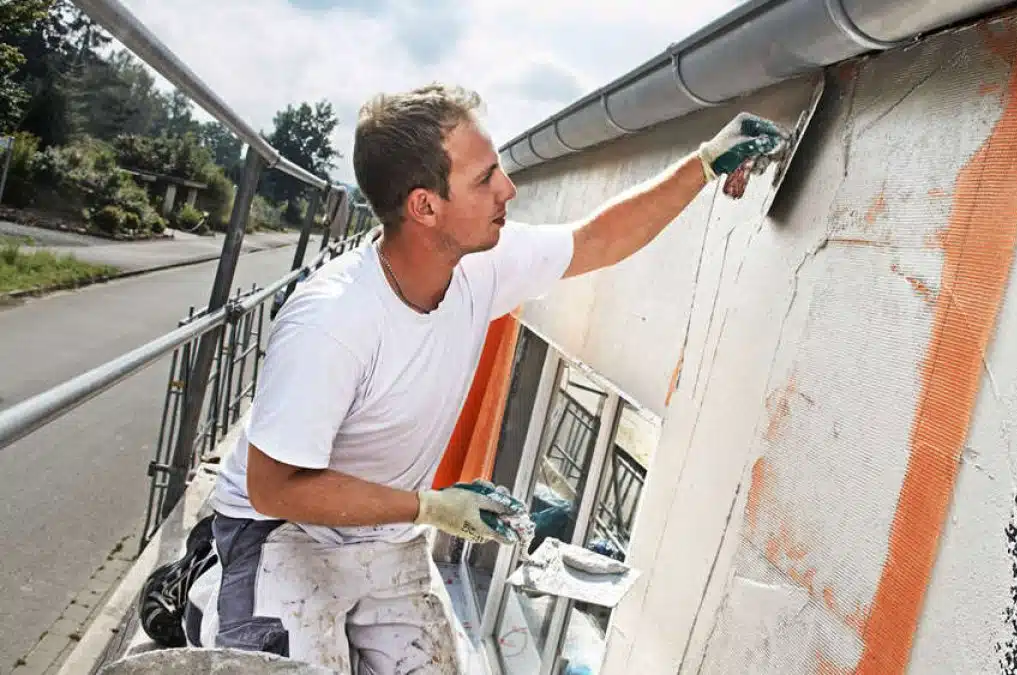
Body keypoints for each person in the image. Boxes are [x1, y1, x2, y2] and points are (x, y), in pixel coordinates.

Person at [137, 83, 785, 673]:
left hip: (385, 536)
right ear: (425, 206)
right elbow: (274, 487)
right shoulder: (333, 321)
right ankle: (203, 580)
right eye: (485, 179)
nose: (508, 189)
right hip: (279, 531)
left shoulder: (482, 267)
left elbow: (596, 240)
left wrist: (704, 162)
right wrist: (432, 506)